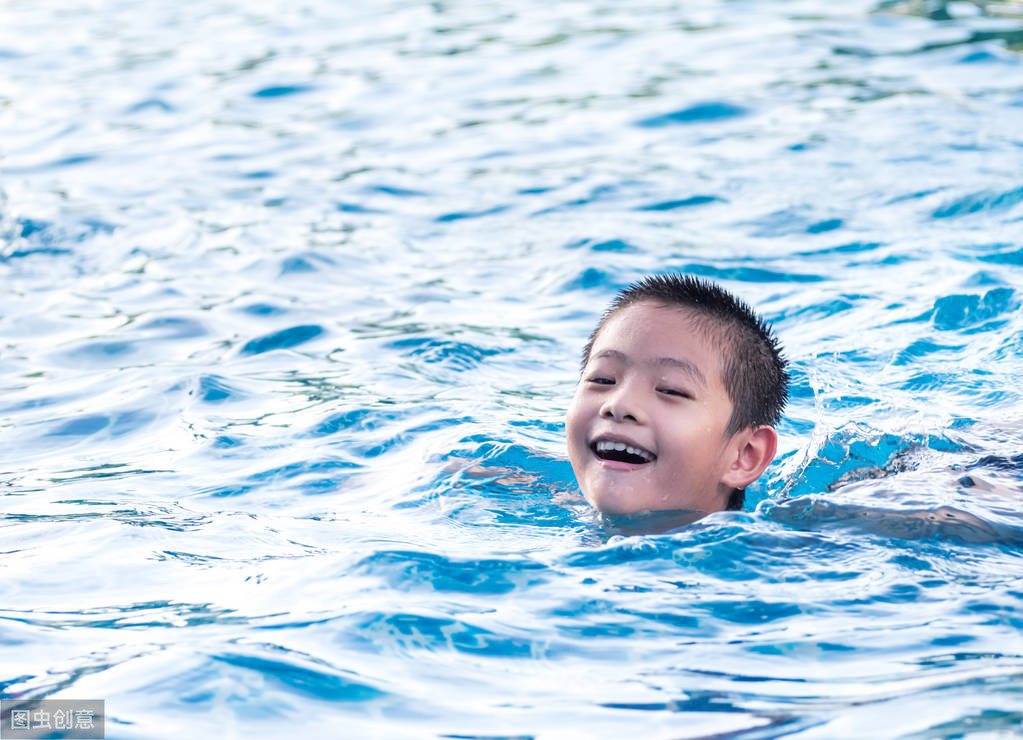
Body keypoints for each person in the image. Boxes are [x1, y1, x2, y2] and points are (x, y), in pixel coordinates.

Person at [566, 274, 788, 516]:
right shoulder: (533, 493)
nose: (619, 404)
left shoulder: (785, 548)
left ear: (744, 455)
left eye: (670, 390)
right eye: (603, 380)